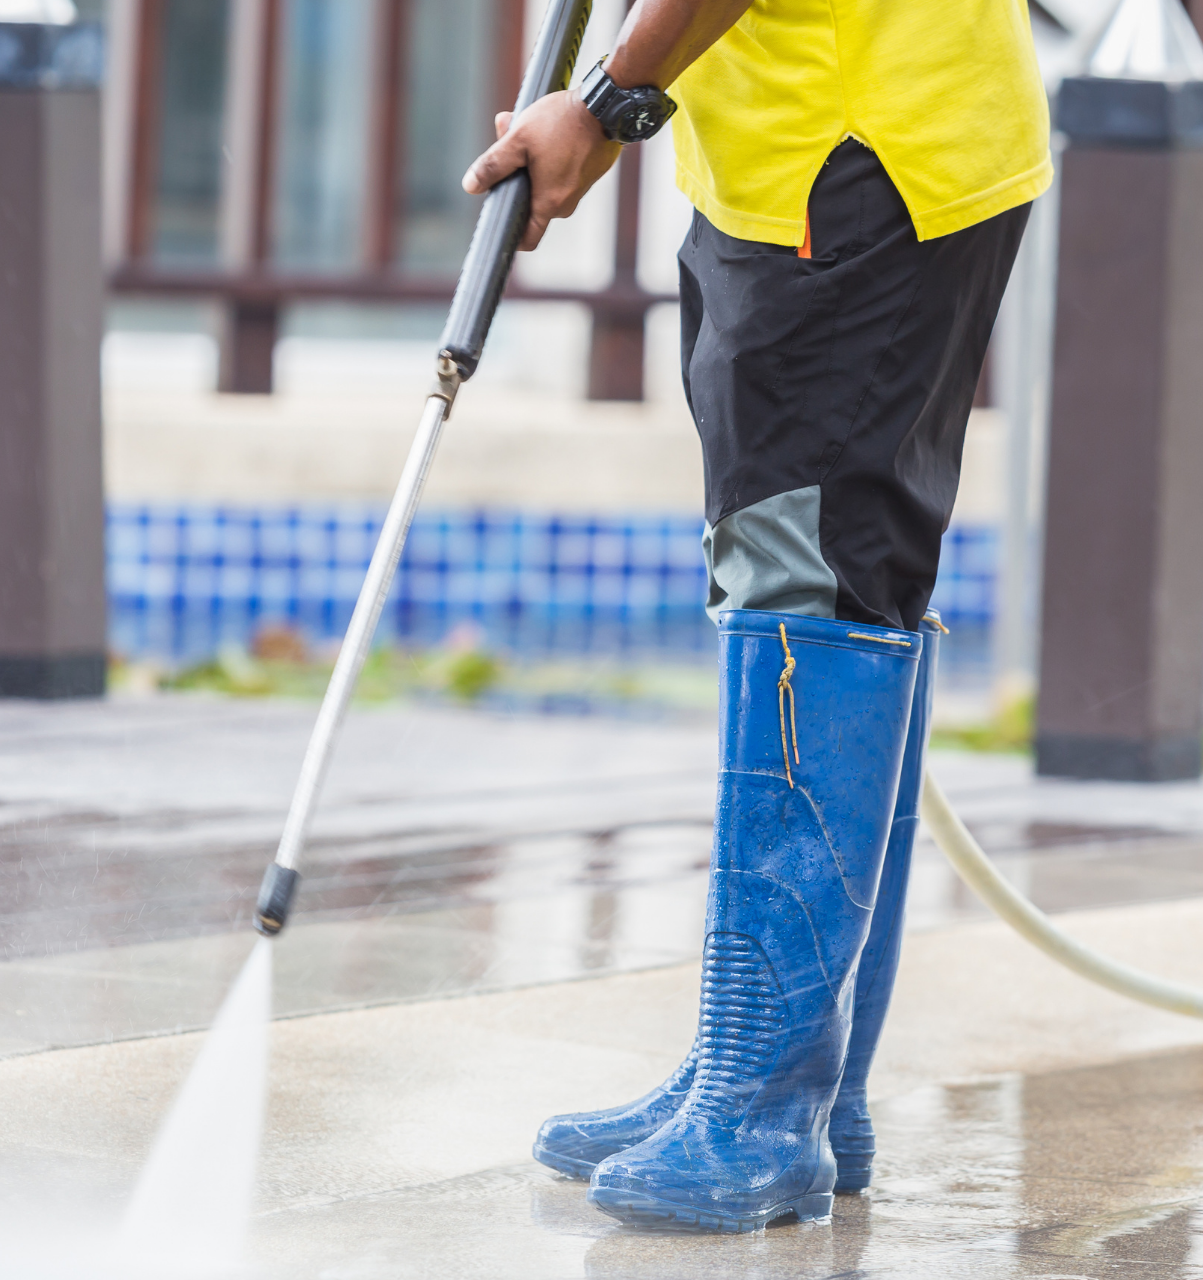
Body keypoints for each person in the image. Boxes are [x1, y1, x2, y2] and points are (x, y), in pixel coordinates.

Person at [461, 0, 1050, 1234]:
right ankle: (786, 1081)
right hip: (810, 153)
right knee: (820, 572)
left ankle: (766, 1104)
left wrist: (607, 102)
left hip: (855, 155)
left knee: (808, 580)